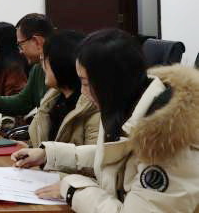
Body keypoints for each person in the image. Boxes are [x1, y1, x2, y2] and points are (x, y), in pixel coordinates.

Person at [12, 29, 199, 211]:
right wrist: (50, 155)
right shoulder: (127, 103)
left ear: (109, 83)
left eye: (86, 83)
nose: (83, 92)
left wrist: (72, 189)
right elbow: (113, 156)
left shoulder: (170, 138)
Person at [27, 29, 99, 148]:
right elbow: (41, 144)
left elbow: (92, 157)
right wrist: (28, 148)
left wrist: (44, 155)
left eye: (44, 59)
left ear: (60, 62)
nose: (42, 65)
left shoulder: (93, 108)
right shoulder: (52, 100)